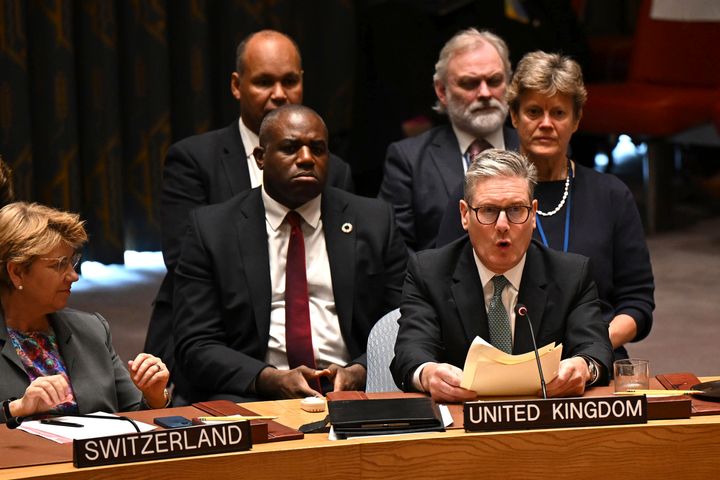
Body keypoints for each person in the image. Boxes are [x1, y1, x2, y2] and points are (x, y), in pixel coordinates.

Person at [146, 30, 355, 373]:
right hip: (220, 331)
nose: (279, 95)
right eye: (264, 82)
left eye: (289, 81)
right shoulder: (195, 159)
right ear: (236, 85)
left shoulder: (334, 170)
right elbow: (183, 258)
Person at [172, 105, 407, 403]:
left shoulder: (375, 222)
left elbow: (405, 321)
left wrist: (361, 369)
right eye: (290, 148)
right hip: (253, 396)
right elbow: (195, 344)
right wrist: (267, 378)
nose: (307, 159)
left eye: (318, 149)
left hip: (358, 392)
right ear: (261, 158)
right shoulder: (212, 230)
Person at [436, 51, 654, 361]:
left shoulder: (611, 195)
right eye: (534, 111)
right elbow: (444, 287)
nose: (546, 124)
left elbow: (637, 302)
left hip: (592, 362)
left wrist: (586, 348)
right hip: (492, 360)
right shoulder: (478, 194)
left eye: (559, 113)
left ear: (577, 120)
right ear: (514, 117)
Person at [391, 149, 613, 403]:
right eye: (488, 211)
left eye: (516, 210)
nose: (502, 225)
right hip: (462, 423)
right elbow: (410, 353)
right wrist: (428, 374)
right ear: (465, 214)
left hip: (544, 420)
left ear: (533, 214)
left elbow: (597, 348)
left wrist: (584, 368)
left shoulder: (571, 274)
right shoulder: (429, 272)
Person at [0, 203, 170, 423]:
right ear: (17, 272)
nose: (73, 276)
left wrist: (155, 395)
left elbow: (135, 415)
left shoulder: (91, 330)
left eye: (72, 262)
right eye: (59, 265)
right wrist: (15, 408)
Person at [378, 28, 519, 252]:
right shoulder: (409, 160)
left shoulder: (536, 149)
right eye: (470, 83)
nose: (484, 93)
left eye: (494, 81)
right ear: (442, 91)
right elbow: (395, 253)